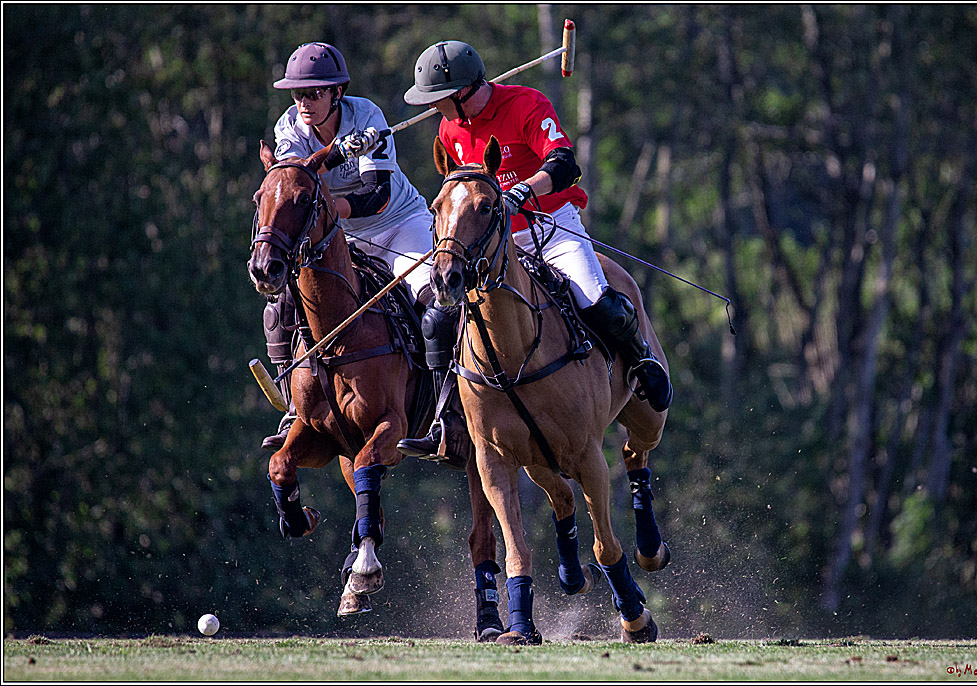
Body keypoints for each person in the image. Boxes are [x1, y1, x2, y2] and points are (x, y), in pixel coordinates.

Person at [395, 40, 673, 461]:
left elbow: (563, 163)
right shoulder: (449, 131)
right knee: (440, 319)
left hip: (549, 226)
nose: (433, 109)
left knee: (594, 295)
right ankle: (443, 420)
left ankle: (642, 363)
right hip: (488, 244)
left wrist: (524, 189)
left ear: (463, 92)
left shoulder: (527, 105)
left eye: (437, 100)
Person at [260, 42, 438, 451]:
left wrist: (346, 154)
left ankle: (449, 407)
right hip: (341, 237)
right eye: (298, 94)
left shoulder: (368, 117)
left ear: (337, 93)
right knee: (282, 305)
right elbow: (295, 184)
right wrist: (335, 153)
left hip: (398, 227)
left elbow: (378, 196)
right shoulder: (288, 128)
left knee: (433, 298)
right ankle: (294, 404)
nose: (304, 102)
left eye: (314, 93)